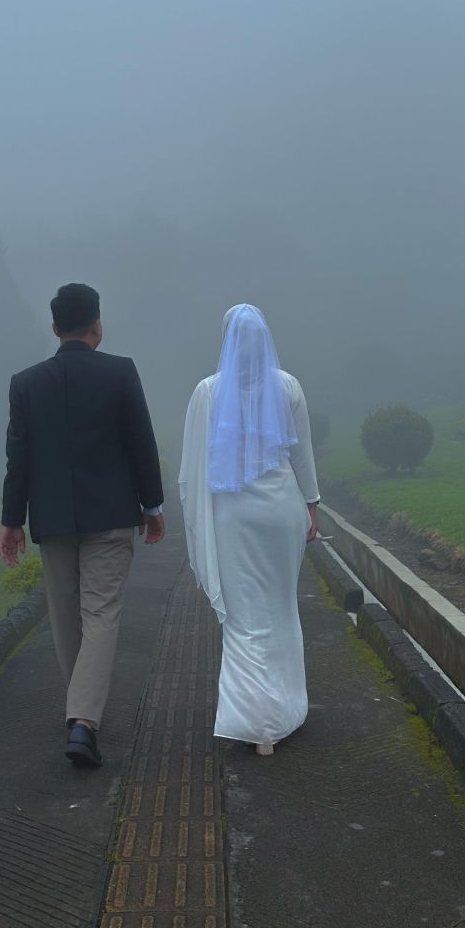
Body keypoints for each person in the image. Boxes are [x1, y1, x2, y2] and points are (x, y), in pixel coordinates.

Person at [0, 283, 165, 768]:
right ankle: (84, 722)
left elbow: (18, 459)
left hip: (52, 520)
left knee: (65, 614)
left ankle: (80, 713)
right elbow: (141, 442)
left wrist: (12, 520)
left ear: (55, 328)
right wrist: (152, 505)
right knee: (101, 613)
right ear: (97, 324)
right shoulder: (120, 371)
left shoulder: (25, 383)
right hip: (111, 516)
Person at [178, 304, 320, 756]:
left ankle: (257, 723)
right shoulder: (288, 386)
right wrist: (313, 506)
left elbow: (193, 468)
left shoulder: (207, 392)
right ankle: (283, 710)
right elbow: (302, 456)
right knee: (280, 609)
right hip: (282, 511)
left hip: (234, 517)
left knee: (245, 619)